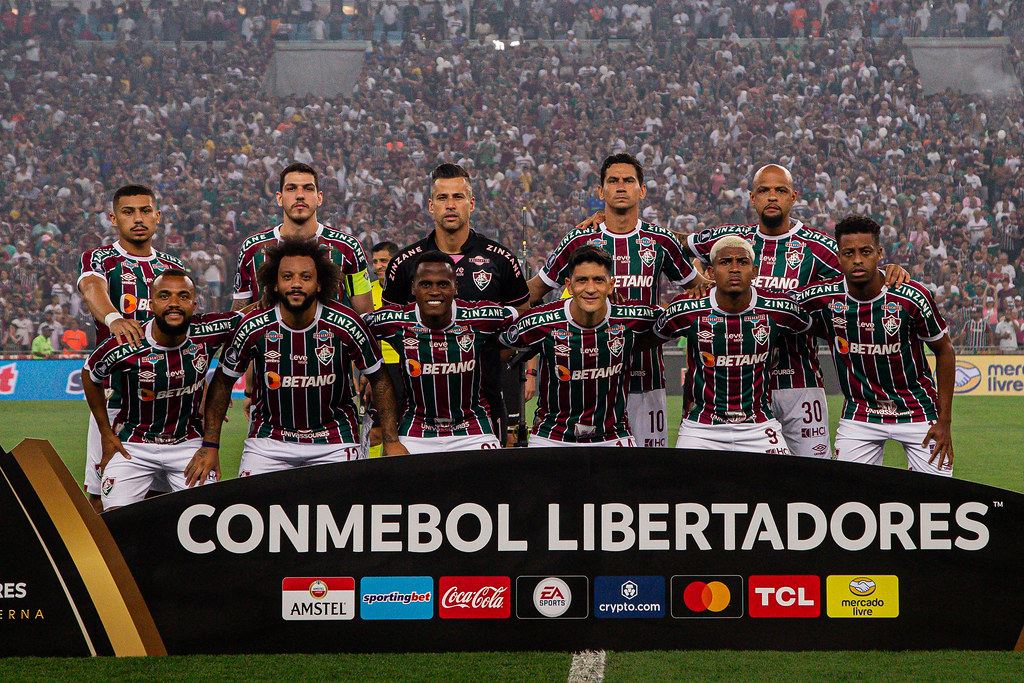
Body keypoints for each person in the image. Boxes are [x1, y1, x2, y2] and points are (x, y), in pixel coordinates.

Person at [684, 164, 908, 458]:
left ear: (793, 197)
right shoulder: (732, 241)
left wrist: (888, 270)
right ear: (752, 197)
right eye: (764, 191)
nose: (772, 197)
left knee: (813, 476)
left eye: (780, 190)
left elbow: (861, 275)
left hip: (799, 383)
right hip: (741, 391)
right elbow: (672, 243)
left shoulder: (819, 247)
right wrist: (697, 280)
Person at [188, 238, 407, 482]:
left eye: (305, 277)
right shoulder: (254, 325)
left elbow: (380, 379)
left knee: (343, 517)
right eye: (287, 277)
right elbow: (223, 381)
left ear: (320, 283)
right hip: (269, 442)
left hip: (334, 441)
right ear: (274, 283)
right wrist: (210, 445)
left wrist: (391, 441)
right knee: (254, 513)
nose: (296, 284)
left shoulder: (347, 323)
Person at [528, 153, 703, 448]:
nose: (621, 186)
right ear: (601, 191)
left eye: (628, 180)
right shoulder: (578, 241)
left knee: (646, 480)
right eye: (613, 181)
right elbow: (531, 293)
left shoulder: (661, 241)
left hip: (646, 378)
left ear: (642, 190)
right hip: (588, 381)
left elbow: (699, 291)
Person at [796, 215, 955, 477]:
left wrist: (945, 421)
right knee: (847, 501)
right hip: (860, 415)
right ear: (839, 255)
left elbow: (945, 351)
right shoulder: (823, 297)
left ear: (879, 253)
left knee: (938, 499)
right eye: (849, 253)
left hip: (917, 413)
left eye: (865, 252)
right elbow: (774, 306)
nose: (857, 259)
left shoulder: (911, 296)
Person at [383, 163, 530, 444]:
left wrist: (485, 354)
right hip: (418, 411)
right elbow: (388, 324)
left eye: (458, 197)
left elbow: (521, 320)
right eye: (442, 198)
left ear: (471, 203)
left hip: (484, 403)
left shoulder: (500, 259)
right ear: (430, 205)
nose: (450, 205)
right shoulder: (404, 263)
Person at [81, 269, 240, 509]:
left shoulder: (207, 330)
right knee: (115, 521)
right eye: (164, 296)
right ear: (152, 303)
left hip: (187, 445)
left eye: (183, 297)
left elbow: (250, 315)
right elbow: (90, 373)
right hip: (133, 447)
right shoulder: (127, 343)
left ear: (194, 304)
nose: (174, 303)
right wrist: (105, 432)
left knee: (207, 517)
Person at [77, 184, 187, 510]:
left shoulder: (173, 268)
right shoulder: (101, 258)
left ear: (157, 216)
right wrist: (113, 318)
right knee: (100, 497)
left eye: (144, 211)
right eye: (128, 212)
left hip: (169, 403)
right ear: (114, 218)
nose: (137, 219)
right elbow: (92, 288)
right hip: (116, 403)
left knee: (166, 499)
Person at [653, 236, 811, 454]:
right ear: (710, 273)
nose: (734, 269)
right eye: (725, 262)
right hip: (701, 426)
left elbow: (813, 326)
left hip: (759, 425)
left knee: (780, 485)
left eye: (742, 262)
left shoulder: (779, 308)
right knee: (685, 486)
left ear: (755, 271)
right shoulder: (686, 309)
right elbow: (650, 337)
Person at [499, 246, 659, 447]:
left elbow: (676, 321)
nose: (590, 289)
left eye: (598, 280)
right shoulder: (540, 321)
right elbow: (497, 349)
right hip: (552, 437)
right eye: (582, 280)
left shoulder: (632, 317)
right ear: (569, 284)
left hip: (613, 436)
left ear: (611, 285)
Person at [367, 251, 518, 453]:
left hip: (472, 428)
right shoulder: (394, 321)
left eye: (443, 284)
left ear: (456, 287)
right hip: (417, 429)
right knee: (398, 477)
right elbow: (351, 328)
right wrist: (369, 369)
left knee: (488, 481)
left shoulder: (481, 316)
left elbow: (525, 319)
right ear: (413, 288)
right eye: (426, 284)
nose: (435, 291)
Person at [232, 162, 373, 315]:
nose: (300, 195)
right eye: (291, 188)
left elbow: (366, 317)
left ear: (319, 198)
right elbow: (237, 318)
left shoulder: (348, 247)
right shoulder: (252, 248)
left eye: (308, 188)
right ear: (279, 198)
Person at [365, 240, 403, 457]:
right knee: (375, 433)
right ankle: (371, 479)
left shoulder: (409, 291)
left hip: (404, 367)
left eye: (384, 261)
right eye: (375, 261)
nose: (378, 265)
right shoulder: (368, 293)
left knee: (402, 430)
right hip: (378, 369)